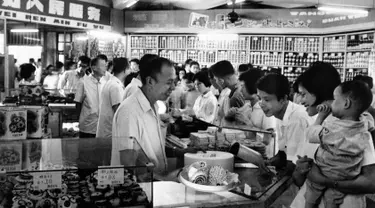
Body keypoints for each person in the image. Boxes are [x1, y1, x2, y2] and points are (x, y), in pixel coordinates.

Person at [290, 62, 375, 208]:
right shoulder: (314, 125)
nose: (300, 101)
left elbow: (371, 183)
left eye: (304, 94)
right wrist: (300, 170)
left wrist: (325, 181)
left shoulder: (353, 127)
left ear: (320, 92)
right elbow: (298, 180)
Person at [112, 57, 176, 174]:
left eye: (174, 82)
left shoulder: (153, 106)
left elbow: (150, 149)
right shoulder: (130, 112)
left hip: (155, 184)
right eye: (169, 82)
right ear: (150, 81)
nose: (173, 87)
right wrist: (164, 180)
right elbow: (129, 165)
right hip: (140, 189)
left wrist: (178, 152)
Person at [256, 73, 313, 163]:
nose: (261, 104)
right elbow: (283, 153)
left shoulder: (297, 118)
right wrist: (267, 162)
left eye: (267, 100)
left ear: (283, 99)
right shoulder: (279, 115)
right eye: (259, 98)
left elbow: (293, 162)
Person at [228, 69, 276, 157]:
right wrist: (231, 116)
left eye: (243, 86)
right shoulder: (247, 106)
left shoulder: (267, 110)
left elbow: (267, 140)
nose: (240, 90)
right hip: (249, 154)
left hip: (264, 157)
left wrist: (248, 123)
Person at [74, 56, 108, 138]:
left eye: (106, 65)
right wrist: (80, 120)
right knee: (86, 149)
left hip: (103, 126)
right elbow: (78, 102)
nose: (105, 68)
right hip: (87, 125)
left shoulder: (106, 82)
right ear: (94, 67)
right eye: (103, 65)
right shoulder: (83, 82)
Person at [96, 58, 130, 139]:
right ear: (125, 70)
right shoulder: (115, 86)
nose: (130, 71)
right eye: (129, 68)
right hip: (110, 133)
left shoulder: (112, 83)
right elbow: (118, 111)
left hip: (107, 132)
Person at [210, 60, 245, 125]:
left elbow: (238, 123)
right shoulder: (237, 89)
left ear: (221, 80)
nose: (216, 82)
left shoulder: (236, 96)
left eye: (216, 79)